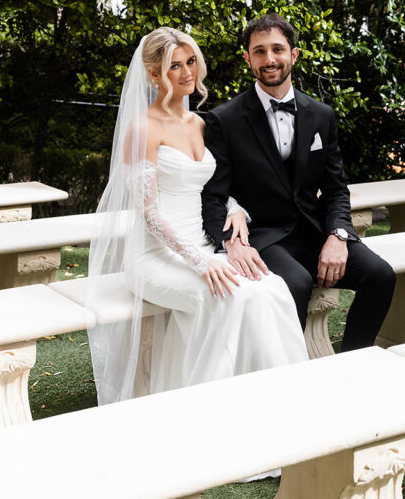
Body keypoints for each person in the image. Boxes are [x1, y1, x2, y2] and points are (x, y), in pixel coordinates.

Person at [87, 26, 307, 406]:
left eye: (191, 62)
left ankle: (275, 402)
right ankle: (204, 410)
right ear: (154, 75)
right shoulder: (143, 128)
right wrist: (200, 261)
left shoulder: (201, 123)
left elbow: (213, 188)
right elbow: (148, 213)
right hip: (156, 257)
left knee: (271, 289)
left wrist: (236, 209)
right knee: (227, 298)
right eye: (175, 66)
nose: (188, 72)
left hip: (203, 246)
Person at [202, 12, 396, 349]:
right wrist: (231, 242)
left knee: (381, 276)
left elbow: (336, 189)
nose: (269, 59)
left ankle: (352, 363)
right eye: (259, 51)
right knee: (297, 282)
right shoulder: (224, 119)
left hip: (315, 231)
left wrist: (338, 235)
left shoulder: (321, 115)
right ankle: (290, 378)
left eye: (277, 49)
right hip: (263, 237)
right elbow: (212, 195)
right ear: (247, 59)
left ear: (294, 54)